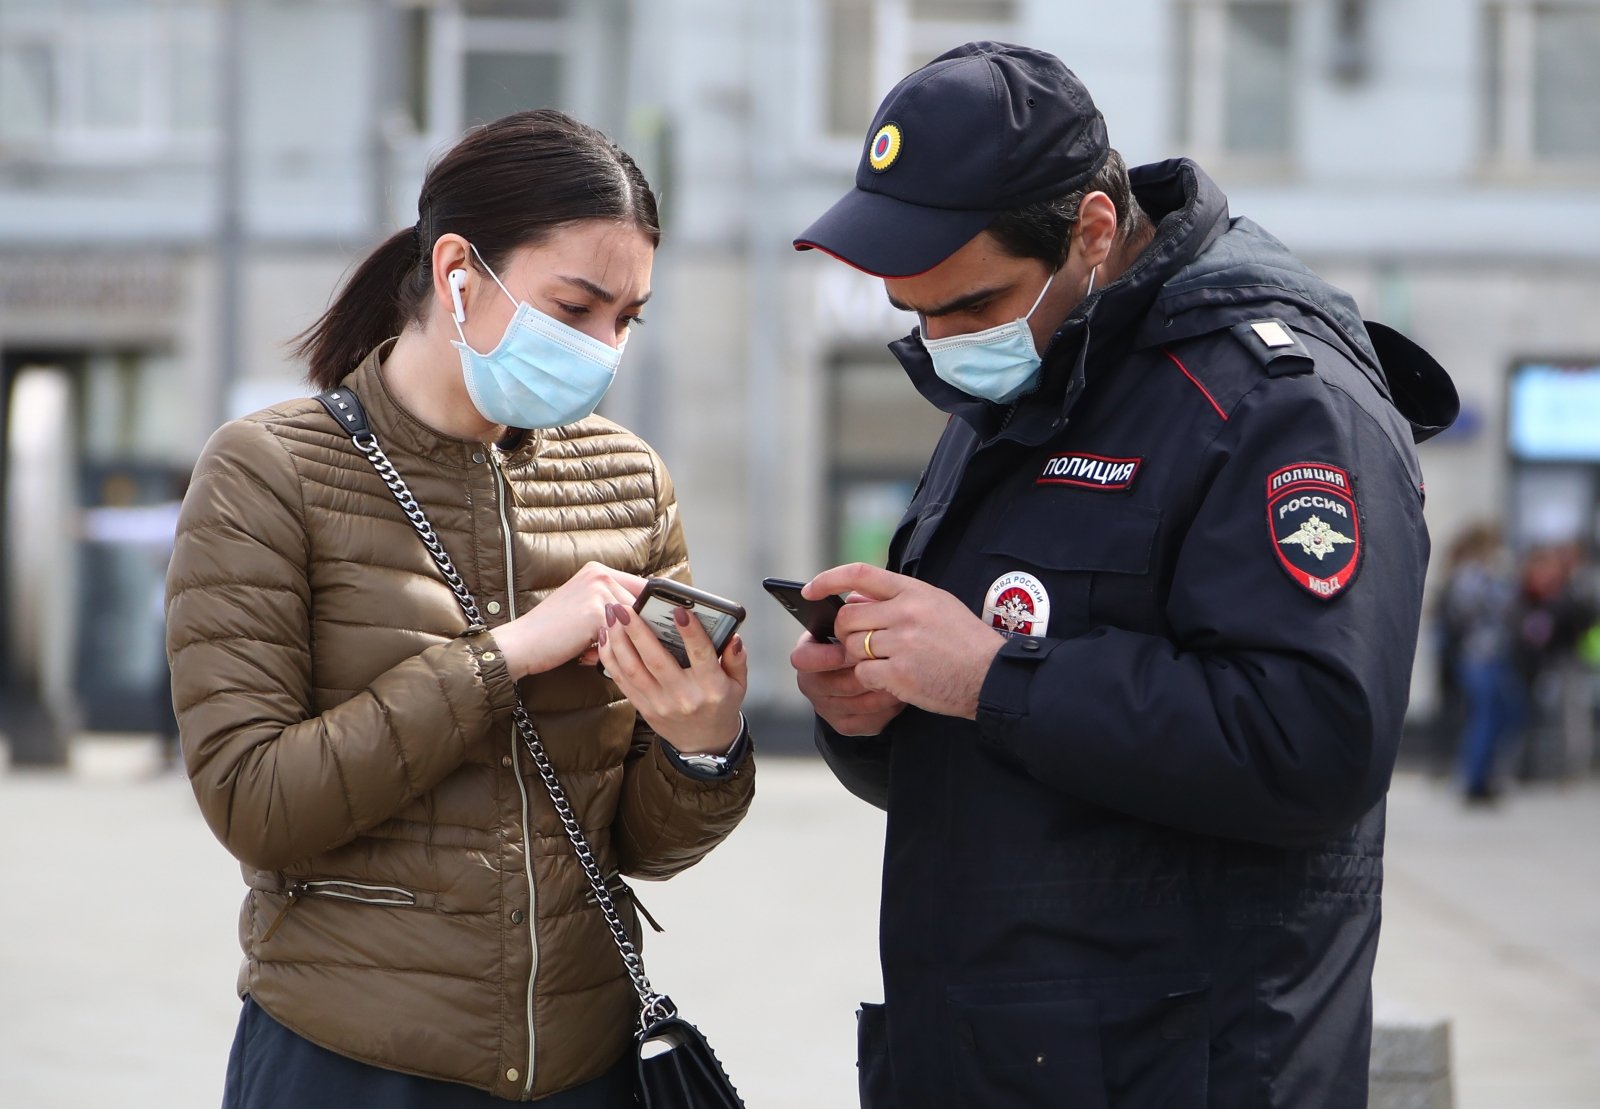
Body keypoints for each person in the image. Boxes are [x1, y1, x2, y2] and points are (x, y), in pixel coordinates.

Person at [787, 42, 1457, 1108]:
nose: (940, 339)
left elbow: (1313, 742)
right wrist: (873, 709)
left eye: (969, 303)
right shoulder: (1030, 378)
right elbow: (1000, 752)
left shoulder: (1279, 400)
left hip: (1184, 1068)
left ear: (1092, 230)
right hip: (992, 1055)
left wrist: (989, 676)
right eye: (914, 312)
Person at [166, 109, 755, 1108]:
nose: (605, 348)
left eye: (628, 318)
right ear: (458, 273)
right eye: (576, 307)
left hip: (585, 1060)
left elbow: (639, 847)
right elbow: (255, 801)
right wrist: (510, 653)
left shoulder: (628, 480)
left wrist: (703, 748)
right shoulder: (270, 470)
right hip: (350, 1062)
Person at [1440, 523, 1522, 802]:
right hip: (1477, 656)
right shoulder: (1472, 574)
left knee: (1501, 716)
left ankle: (1486, 775)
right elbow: (1469, 611)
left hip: (1494, 655)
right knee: (1483, 719)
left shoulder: (1487, 574)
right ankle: (1473, 779)